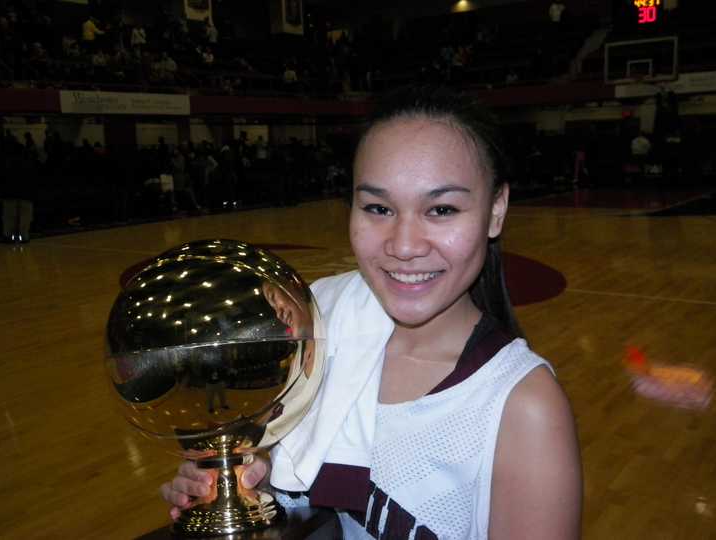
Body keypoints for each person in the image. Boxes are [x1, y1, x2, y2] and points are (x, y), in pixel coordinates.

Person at [161, 86, 582, 539]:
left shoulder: (524, 409)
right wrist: (242, 484)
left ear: (496, 211)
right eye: (378, 208)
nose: (403, 246)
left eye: (441, 209)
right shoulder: (311, 328)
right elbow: (287, 491)